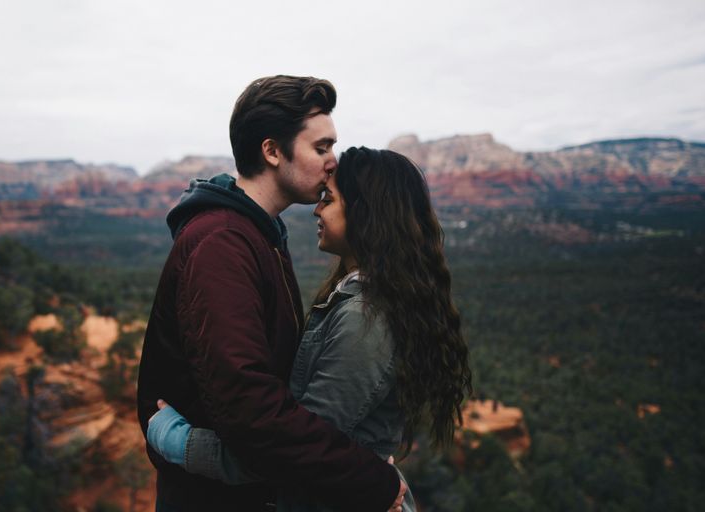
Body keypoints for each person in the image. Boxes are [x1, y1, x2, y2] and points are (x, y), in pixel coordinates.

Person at [146, 147, 473, 512]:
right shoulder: (358, 299)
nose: (317, 210)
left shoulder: (366, 319)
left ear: (367, 215)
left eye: (329, 200)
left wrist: (181, 442)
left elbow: (293, 450)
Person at [136, 77, 406, 511]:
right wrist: (371, 477)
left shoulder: (259, 235)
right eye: (321, 148)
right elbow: (252, 410)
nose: (332, 163)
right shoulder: (222, 243)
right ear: (272, 151)